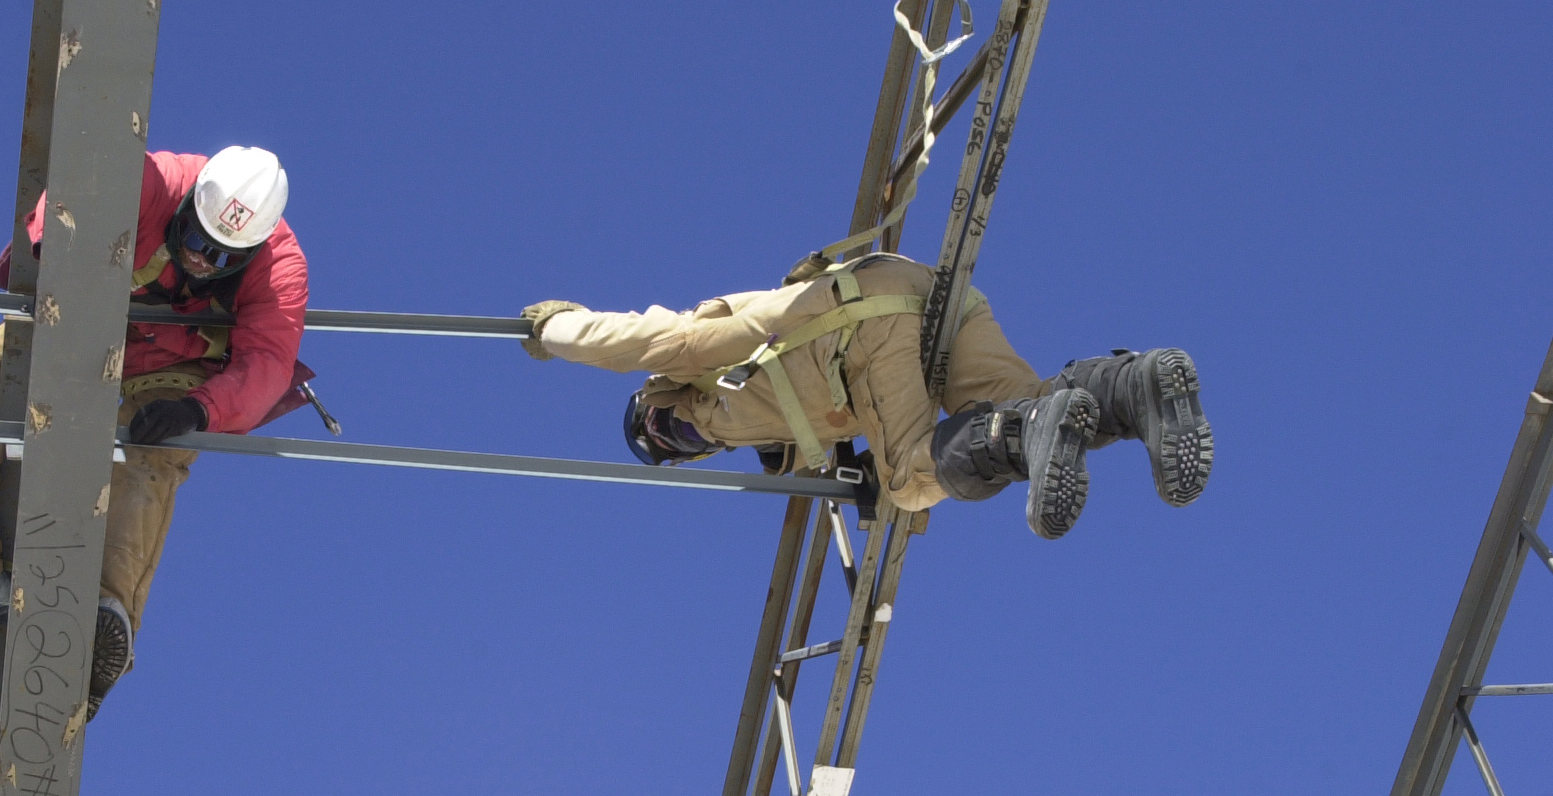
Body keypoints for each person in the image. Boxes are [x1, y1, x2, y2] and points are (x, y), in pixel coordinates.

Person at [0, 146, 312, 718]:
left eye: (223, 256)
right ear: (187, 204)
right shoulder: (148, 180)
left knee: (150, 457)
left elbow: (267, 363)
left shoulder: (280, 266)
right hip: (76, 320)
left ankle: (96, 622)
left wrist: (199, 410)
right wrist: (55, 251)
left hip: (172, 371)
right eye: (196, 238)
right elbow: (74, 190)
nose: (203, 259)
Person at [518, 249, 1210, 539]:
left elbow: (630, 339)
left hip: (862, 326)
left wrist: (555, 328)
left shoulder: (703, 357)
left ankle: (1011, 440)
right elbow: (828, 445)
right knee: (1030, 408)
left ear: (660, 400)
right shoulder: (780, 429)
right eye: (677, 450)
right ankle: (1134, 386)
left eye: (666, 429)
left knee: (909, 476)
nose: (685, 439)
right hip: (935, 299)